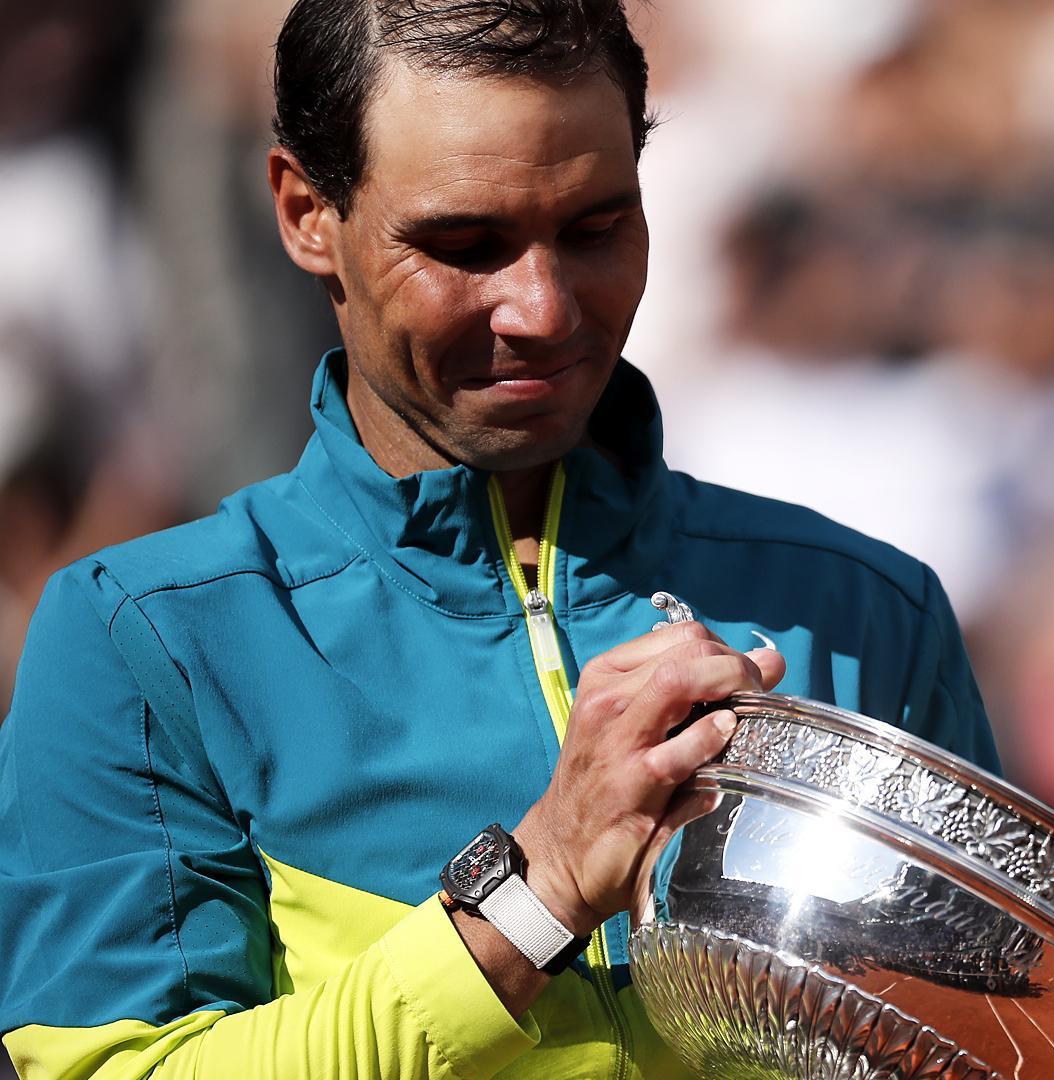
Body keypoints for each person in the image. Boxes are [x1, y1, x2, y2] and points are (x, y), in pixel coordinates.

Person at [0, 1, 998, 1076]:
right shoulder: (143, 638)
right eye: (464, 247)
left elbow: (1009, 1043)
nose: (543, 309)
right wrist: (541, 889)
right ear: (305, 214)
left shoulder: (870, 608)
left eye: (595, 229)